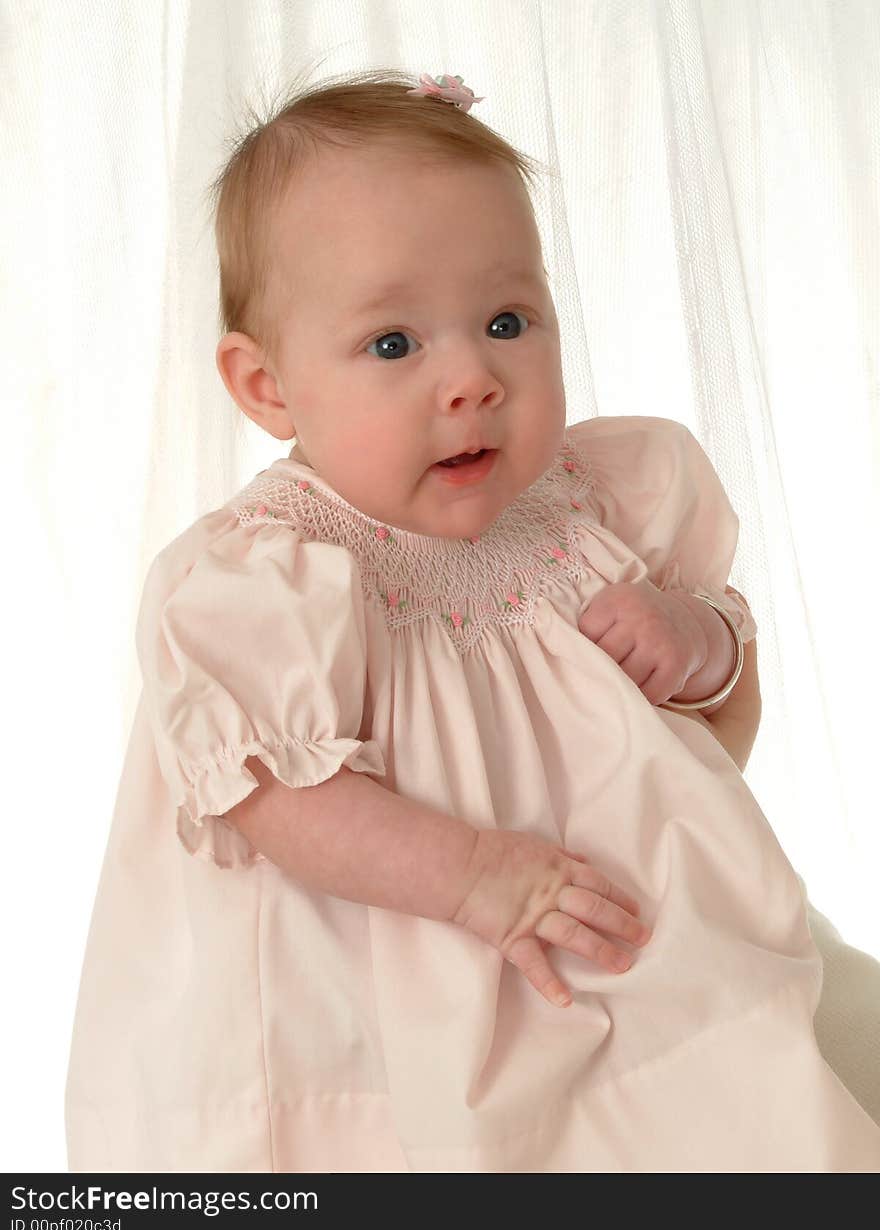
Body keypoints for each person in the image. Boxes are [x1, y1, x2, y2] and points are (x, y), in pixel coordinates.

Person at [64, 69, 880, 1172]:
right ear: (266, 386)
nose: (472, 378)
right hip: (381, 1006)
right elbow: (273, 798)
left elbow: (712, 744)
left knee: (756, 1111)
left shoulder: (599, 506)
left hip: (635, 957)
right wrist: (475, 876)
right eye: (394, 344)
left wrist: (700, 642)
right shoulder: (272, 578)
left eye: (506, 321)